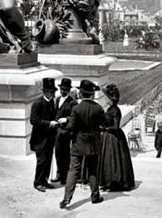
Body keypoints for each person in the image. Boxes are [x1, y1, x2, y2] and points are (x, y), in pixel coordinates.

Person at [60, 79, 107, 209]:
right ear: (92, 94)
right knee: (92, 170)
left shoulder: (76, 108)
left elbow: (70, 127)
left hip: (78, 143)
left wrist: (65, 121)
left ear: (80, 93)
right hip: (93, 144)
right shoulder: (98, 108)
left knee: (73, 170)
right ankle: (95, 196)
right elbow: (105, 124)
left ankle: (67, 199)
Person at [98, 84, 135, 191]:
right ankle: (108, 181)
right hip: (109, 137)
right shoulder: (111, 109)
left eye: (106, 97)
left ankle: (114, 182)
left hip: (113, 137)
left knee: (112, 160)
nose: (105, 98)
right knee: (109, 160)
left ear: (110, 99)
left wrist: (104, 129)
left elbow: (115, 126)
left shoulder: (115, 110)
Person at [30, 78, 59, 192]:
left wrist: (56, 121)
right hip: (39, 139)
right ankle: (37, 182)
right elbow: (34, 120)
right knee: (41, 161)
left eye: (53, 92)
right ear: (45, 92)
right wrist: (49, 123)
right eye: (51, 92)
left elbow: (53, 115)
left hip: (49, 137)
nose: (53, 94)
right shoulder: (37, 103)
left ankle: (44, 180)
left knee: (48, 160)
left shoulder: (52, 102)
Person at [51, 78, 77, 185]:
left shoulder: (72, 102)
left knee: (65, 154)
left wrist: (66, 119)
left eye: (65, 89)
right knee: (57, 153)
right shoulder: (57, 99)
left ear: (69, 90)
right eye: (61, 89)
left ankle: (65, 176)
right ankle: (58, 174)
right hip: (56, 131)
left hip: (65, 132)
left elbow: (74, 117)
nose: (63, 91)